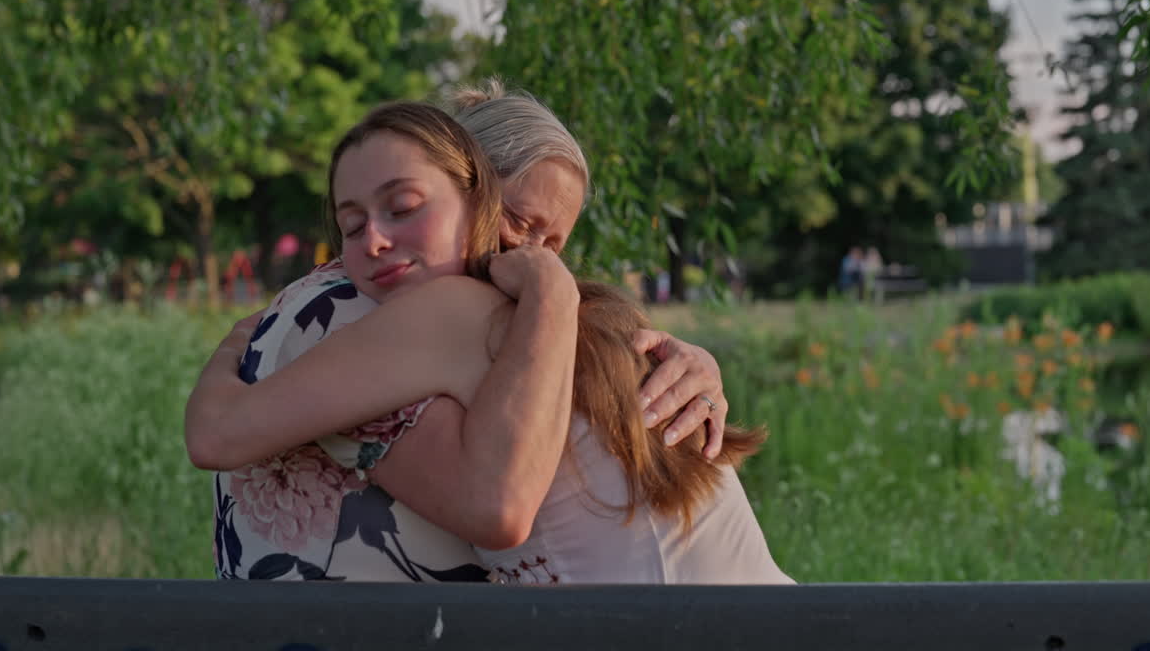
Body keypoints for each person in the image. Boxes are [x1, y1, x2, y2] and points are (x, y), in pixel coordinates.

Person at [187, 96, 787, 582]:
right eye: (520, 222)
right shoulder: (472, 307)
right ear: (465, 185)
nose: (532, 253)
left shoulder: (532, 314)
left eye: (554, 245)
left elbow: (217, 433)